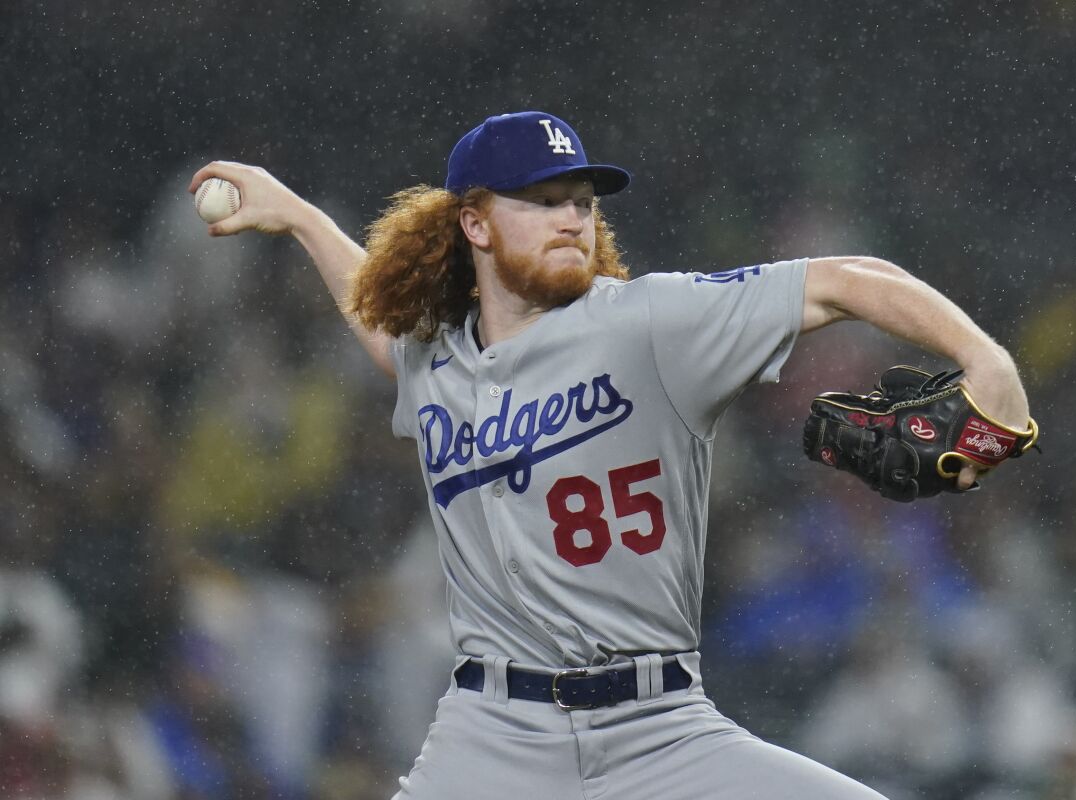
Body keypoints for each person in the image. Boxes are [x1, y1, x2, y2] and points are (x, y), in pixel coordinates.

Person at [189, 111, 1031, 799]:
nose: (571, 217)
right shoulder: (436, 360)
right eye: (541, 199)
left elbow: (846, 279)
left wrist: (990, 366)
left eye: (581, 201)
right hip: (491, 738)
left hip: (661, 732)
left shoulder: (649, 323)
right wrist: (299, 216)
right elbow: (379, 326)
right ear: (473, 222)